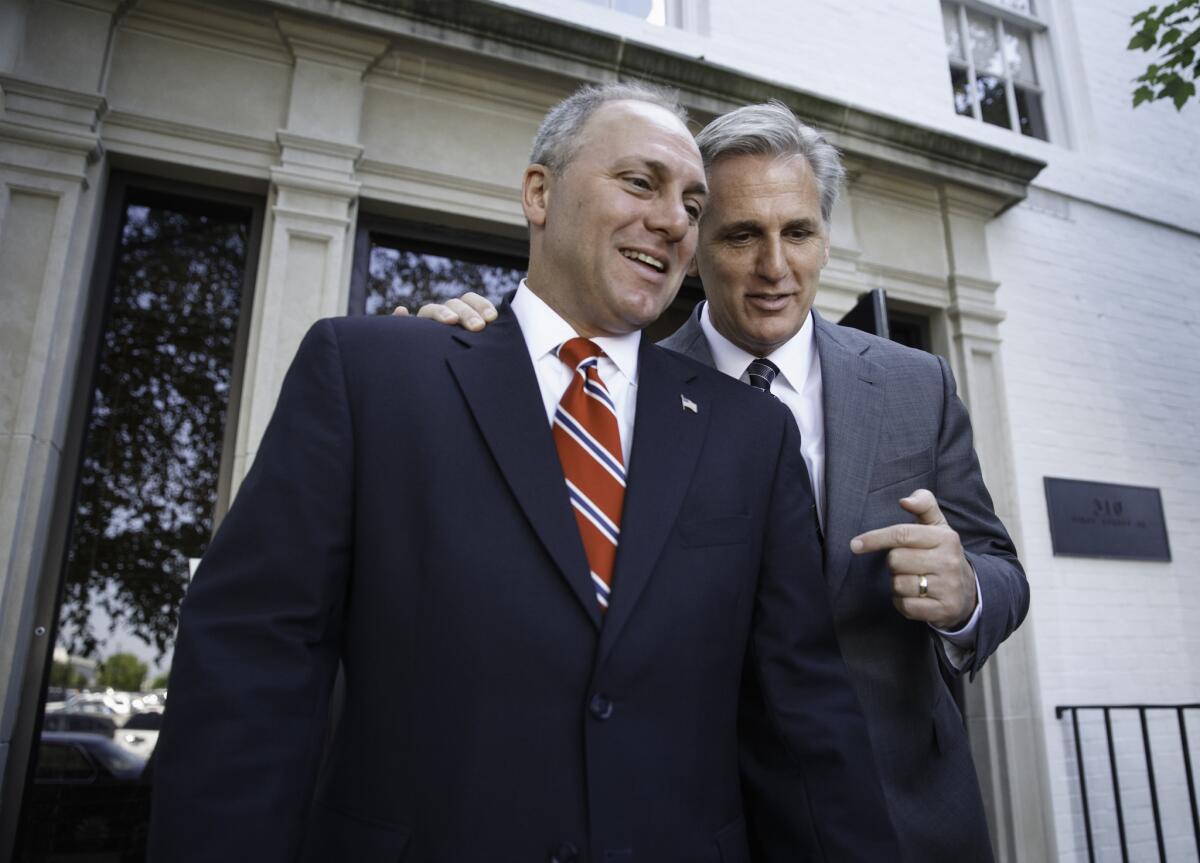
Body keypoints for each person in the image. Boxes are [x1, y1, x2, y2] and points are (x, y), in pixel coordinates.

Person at [149, 84, 898, 862]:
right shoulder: (372, 374)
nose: (674, 219)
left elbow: (805, 718)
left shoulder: (750, 433)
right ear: (539, 193)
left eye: (692, 203)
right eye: (641, 182)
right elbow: (253, 668)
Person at [414, 100, 1030, 862]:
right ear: (694, 243)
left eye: (798, 232)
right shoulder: (619, 391)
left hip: (911, 815)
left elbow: (1003, 569)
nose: (776, 266)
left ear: (825, 240)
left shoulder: (917, 385)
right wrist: (468, 356)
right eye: (742, 235)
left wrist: (967, 593)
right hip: (712, 822)